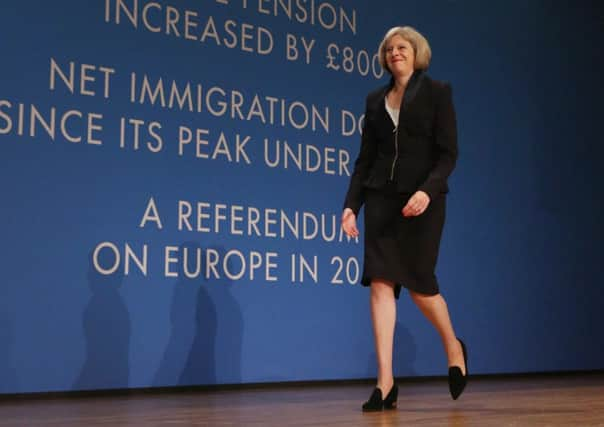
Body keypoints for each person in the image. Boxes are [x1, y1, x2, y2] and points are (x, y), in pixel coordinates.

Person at [341, 26, 468, 411]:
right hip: (381, 199)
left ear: (417, 53)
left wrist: (426, 192)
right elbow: (365, 159)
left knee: (419, 287)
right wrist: (351, 205)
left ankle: (452, 345)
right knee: (380, 283)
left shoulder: (437, 93)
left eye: (403, 47)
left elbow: (448, 154)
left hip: (422, 202)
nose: (395, 52)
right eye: (389, 48)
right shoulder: (375, 99)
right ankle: (385, 383)